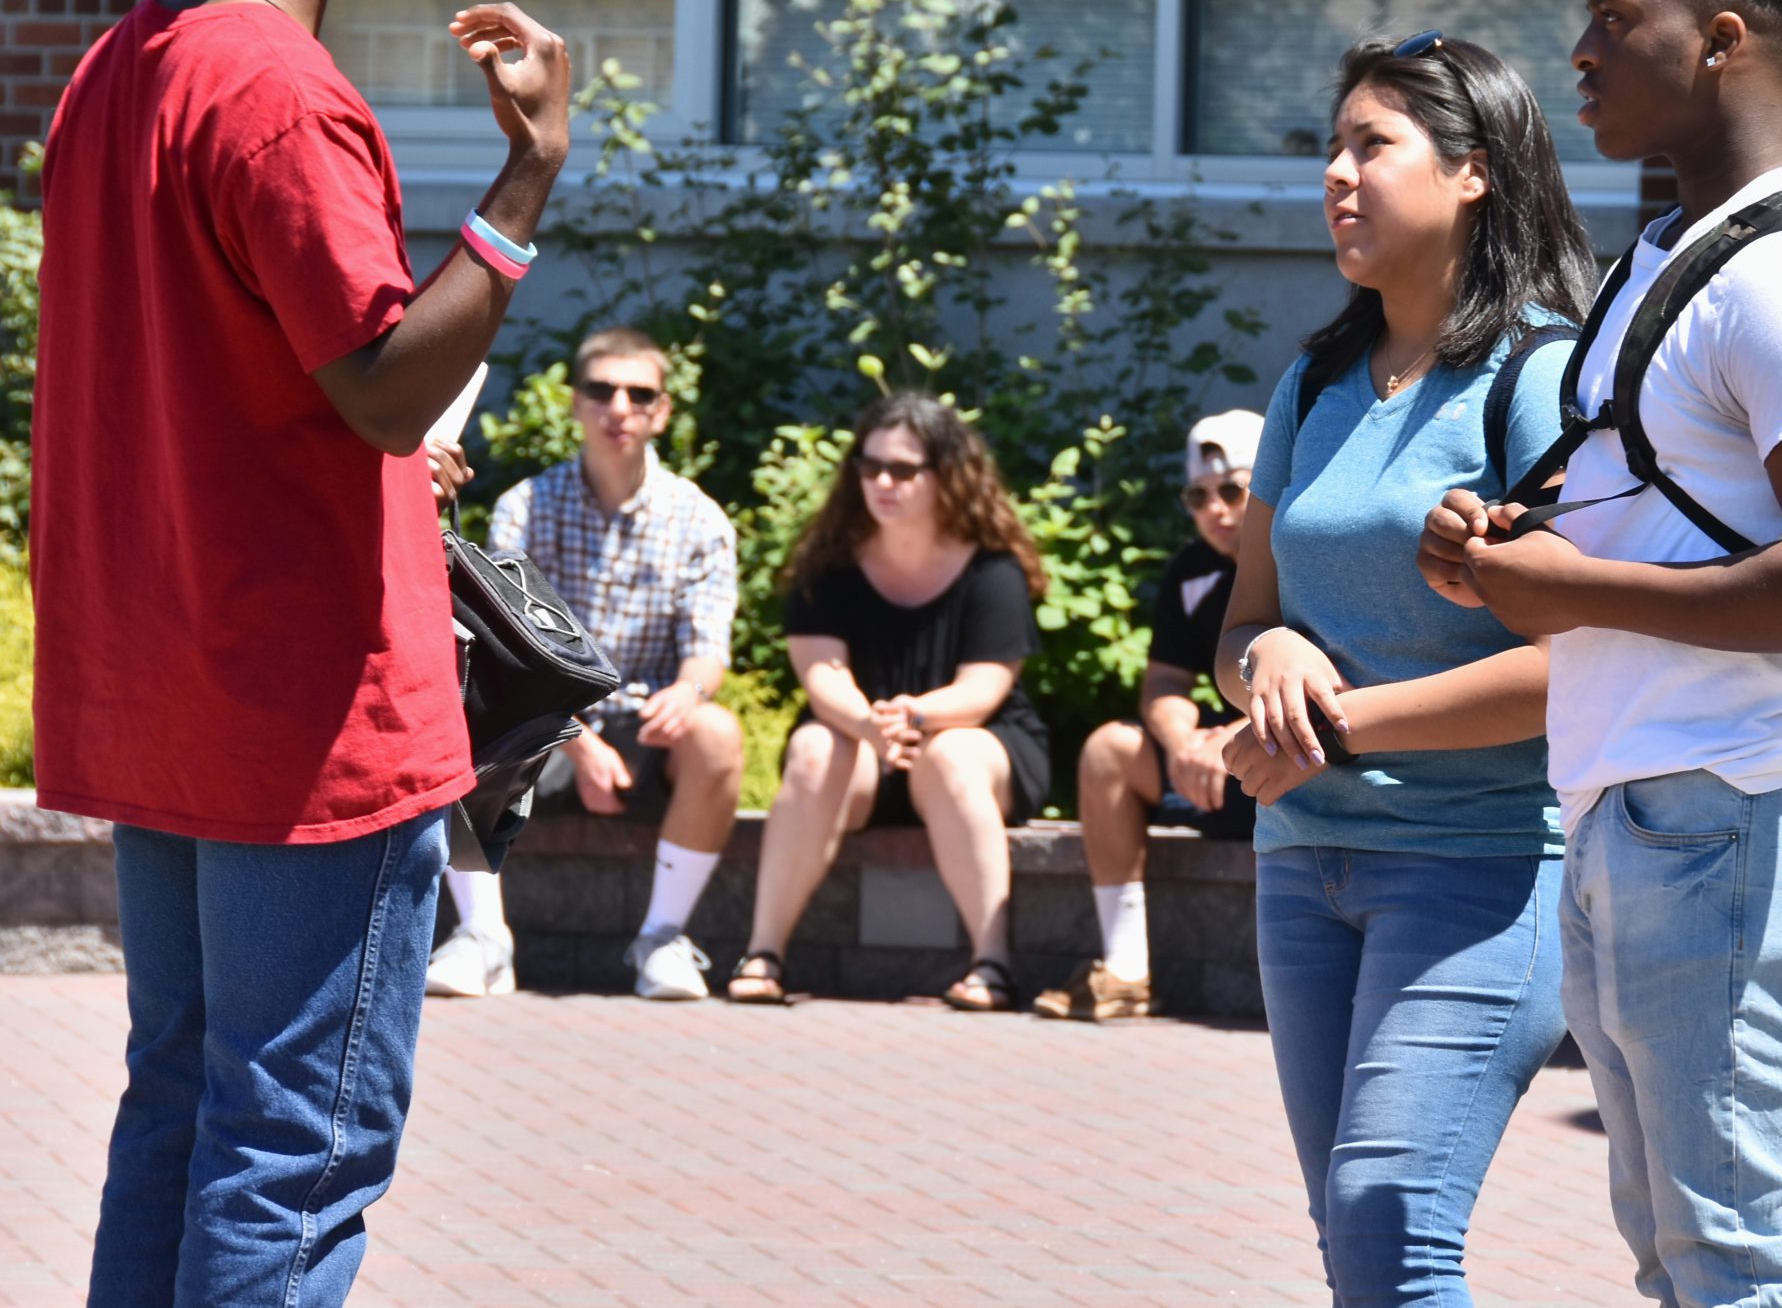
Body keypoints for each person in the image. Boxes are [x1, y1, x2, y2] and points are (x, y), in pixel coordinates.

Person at [30, 0, 578, 1305]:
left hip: (168, 686)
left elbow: (241, 384)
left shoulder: (120, 66)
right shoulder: (278, 90)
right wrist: (528, 175)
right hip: (306, 713)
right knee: (291, 1151)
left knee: (185, 1112)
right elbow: (387, 383)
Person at [1418, 0, 1782, 1306]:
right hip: (1634, 800)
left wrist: (1579, 583)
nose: (1579, 52)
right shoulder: (1655, 264)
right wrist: (1506, 544)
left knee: (1737, 1260)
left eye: (1616, 21)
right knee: (1682, 1259)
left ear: (1726, 41)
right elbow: (1645, 525)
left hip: (1738, 807)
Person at [1211, 31, 1598, 1305]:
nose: (1336, 173)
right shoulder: (1315, 382)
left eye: (1371, 145)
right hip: (1301, 867)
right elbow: (1244, 627)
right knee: (1357, 1248)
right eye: (1331, 147)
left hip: (1481, 870)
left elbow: (1580, 663)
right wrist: (1261, 655)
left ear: (1472, 171)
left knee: (1389, 1225)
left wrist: (1340, 723)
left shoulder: (1538, 378)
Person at [425, 328, 745, 1003]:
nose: (618, 406)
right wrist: (582, 737)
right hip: (542, 721)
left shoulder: (701, 518)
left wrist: (689, 692)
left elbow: (708, 644)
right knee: (446, 715)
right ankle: (484, 938)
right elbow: (505, 647)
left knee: (717, 733)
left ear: (661, 411)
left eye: (639, 393)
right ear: (576, 403)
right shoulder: (526, 505)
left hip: (650, 724)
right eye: (601, 389)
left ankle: (661, 939)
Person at [723, 393, 1054, 1011]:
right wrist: (868, 725)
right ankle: (763, 953)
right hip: (860, 743)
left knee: (950, 754)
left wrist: (912, 717)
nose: (882, 481)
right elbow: (822, 676)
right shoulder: (826, 567)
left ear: (946, 475)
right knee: (816, 745)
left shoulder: (992, 571)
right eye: (869, 466)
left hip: (977, 744)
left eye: (903, 470)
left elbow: (983, 690)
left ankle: (992, 963)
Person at [1033, 409, 1264, 1023]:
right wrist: (1185, 740)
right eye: (1198, 496)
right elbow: (1164, 681)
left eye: (1233, 491)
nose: (1215, 509)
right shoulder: (1190, 570)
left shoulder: (1304, 557)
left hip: (1284, 761)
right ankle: (1126, 968)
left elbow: (1338, 683)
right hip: (1207, 772)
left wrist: (1236, 735)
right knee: (1109, 749)